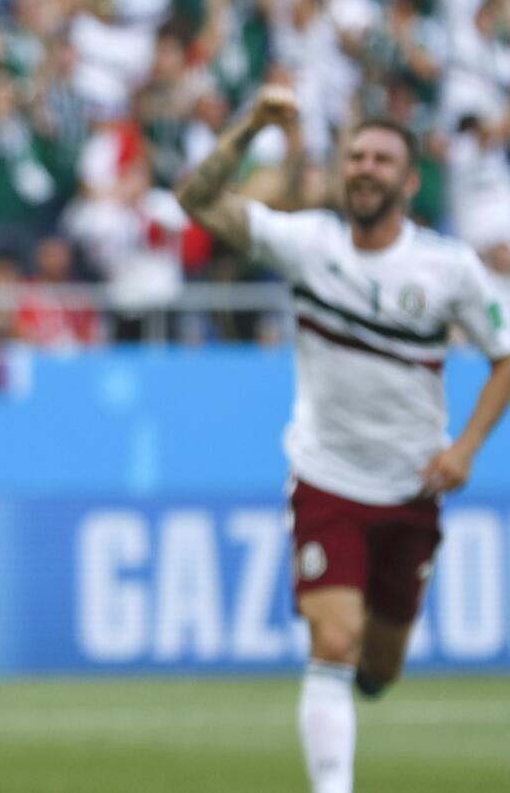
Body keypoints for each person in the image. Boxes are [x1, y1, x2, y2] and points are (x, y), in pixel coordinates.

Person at [175, 86, 510, 793]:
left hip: (411, 483)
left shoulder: (446, 268)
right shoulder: (309, 243)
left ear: (409, 180)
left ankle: (358, 686)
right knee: (332, 641)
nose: (364, 167)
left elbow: (506, 353)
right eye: (355, 154)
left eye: (382, 158)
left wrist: (466, 450)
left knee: (379, 667)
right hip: (327, 475)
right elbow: (196, 200)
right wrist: (250, 127)